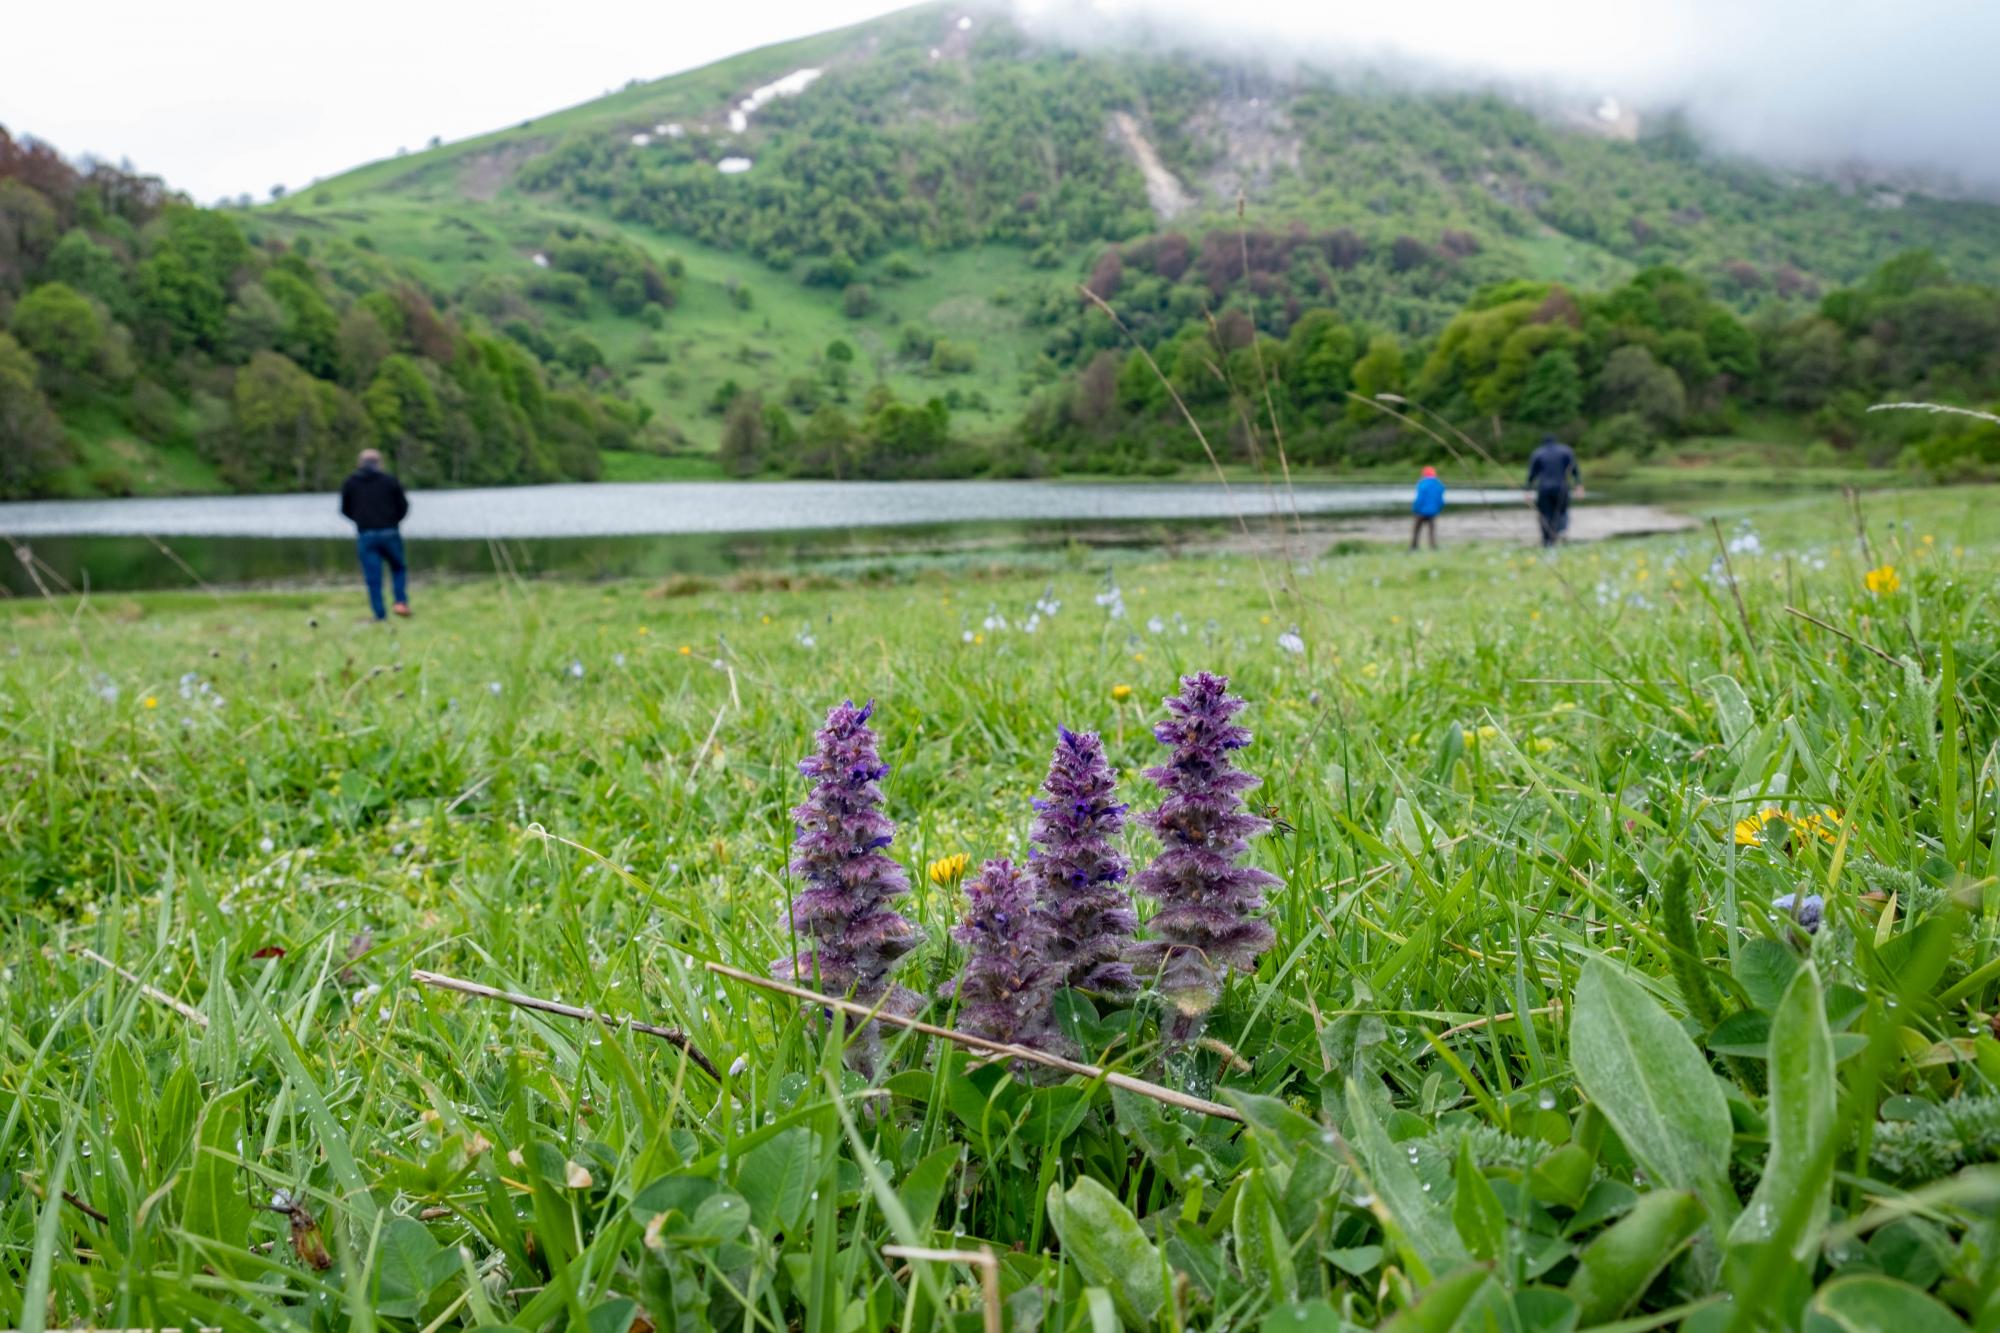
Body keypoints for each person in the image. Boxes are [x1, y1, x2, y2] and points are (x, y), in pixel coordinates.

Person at [339, 448, 411, 620]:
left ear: (360, 464)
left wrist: (360, 521)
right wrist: (393, 521)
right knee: (398, 568)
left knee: (373, 577)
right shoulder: (390, 481)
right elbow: (404, 506)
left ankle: (380, 615)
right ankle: (400, 602)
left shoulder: (351, 482)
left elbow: (344, 509)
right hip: (390, 532)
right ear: (379, 463)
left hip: (366, 535)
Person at [1524, 434, 1582, 548]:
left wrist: (1527, 490)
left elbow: (1532, 474)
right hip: (1562, 488)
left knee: (1545, 514)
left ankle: (1547, 540)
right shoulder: (1566, 451)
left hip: (1544, 488)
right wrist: (1578, 485)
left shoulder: (1538, 453)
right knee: (1561, 512)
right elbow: (1574, 469)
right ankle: (1560, 533)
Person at [1410, 465, 1445, 549]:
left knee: (1416, 530)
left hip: (1421, 511)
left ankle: (1414, 546)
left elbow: (1419, 499)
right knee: (1431, 530)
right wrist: (1438, 509)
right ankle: (1433, 546)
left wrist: (1415, 509)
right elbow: (1440, 500)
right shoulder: (1439, 484)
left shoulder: (1422, 484)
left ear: (1424, 474)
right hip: (1433, 511)